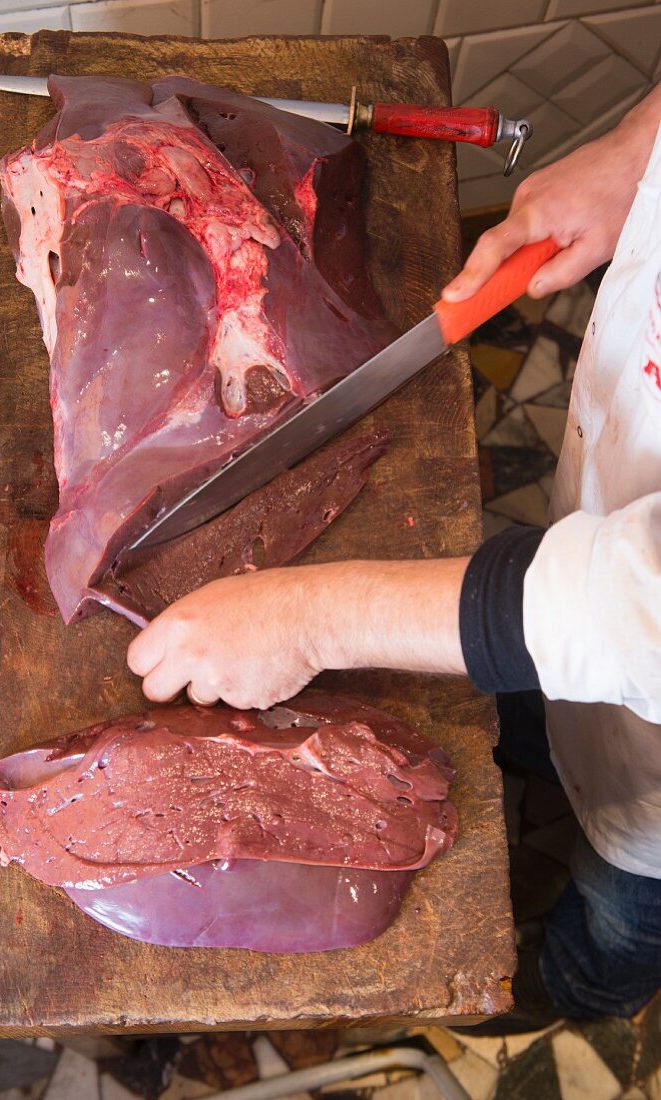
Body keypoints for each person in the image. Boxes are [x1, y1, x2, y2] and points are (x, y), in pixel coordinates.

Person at [127, 85, 661, 1025]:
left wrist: (311, 617)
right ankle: (537, 739)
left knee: (626, 905)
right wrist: (640, 147)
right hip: (600, 543)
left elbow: (640, 610)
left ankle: (572, 992)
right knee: (544, 702)